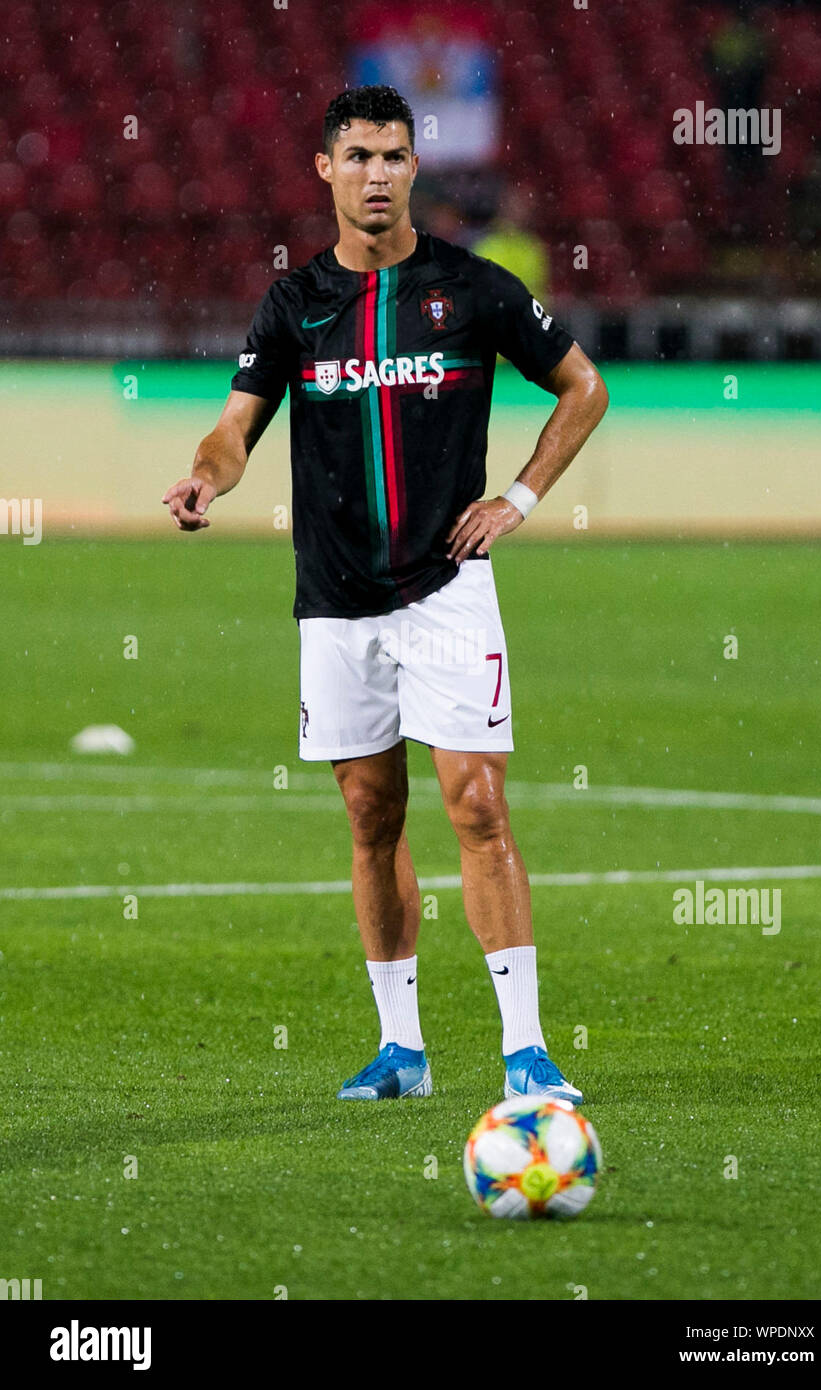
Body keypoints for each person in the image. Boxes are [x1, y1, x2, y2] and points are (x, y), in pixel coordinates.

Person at [162, 85, 608, 1103]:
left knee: (479, 804)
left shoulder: (475, 289)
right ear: (325, 169)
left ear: (416, 168)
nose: (376, 175)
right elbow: (235, 429)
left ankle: (527, 1050)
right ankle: (401, 1048)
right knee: (371, 814)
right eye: (357, 156)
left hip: (447, 590)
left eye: (394, 157)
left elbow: (585, 386)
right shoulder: (293, 305)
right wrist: (206, 476)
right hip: (334, 600)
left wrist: (522, 498)